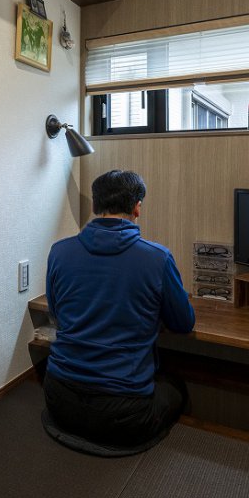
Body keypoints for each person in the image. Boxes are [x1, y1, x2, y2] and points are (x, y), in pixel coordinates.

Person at [43, 170, 195, 447]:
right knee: (175, 387)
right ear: (137, 208)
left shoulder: (59, 251)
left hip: (58, 398)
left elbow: (56, 314)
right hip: (124, 415)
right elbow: (183, 323)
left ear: (94, 205)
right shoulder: (157, 258)